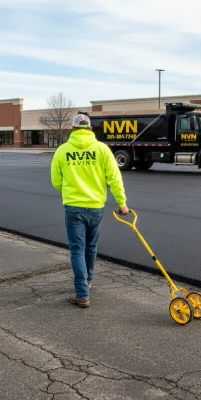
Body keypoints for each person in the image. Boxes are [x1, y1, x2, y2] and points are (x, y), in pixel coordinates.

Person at [51, 113, 129, 308]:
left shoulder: (63, 150)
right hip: (96, 207)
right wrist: (122, 203)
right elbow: (114, 178)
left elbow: (56, 180)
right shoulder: (102, 149)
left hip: (73, 207)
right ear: (90, 129)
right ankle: (88, 281)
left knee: (77, 249)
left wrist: (70, 192)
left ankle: (82, 293)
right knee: (91, 246)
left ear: (73, 129)